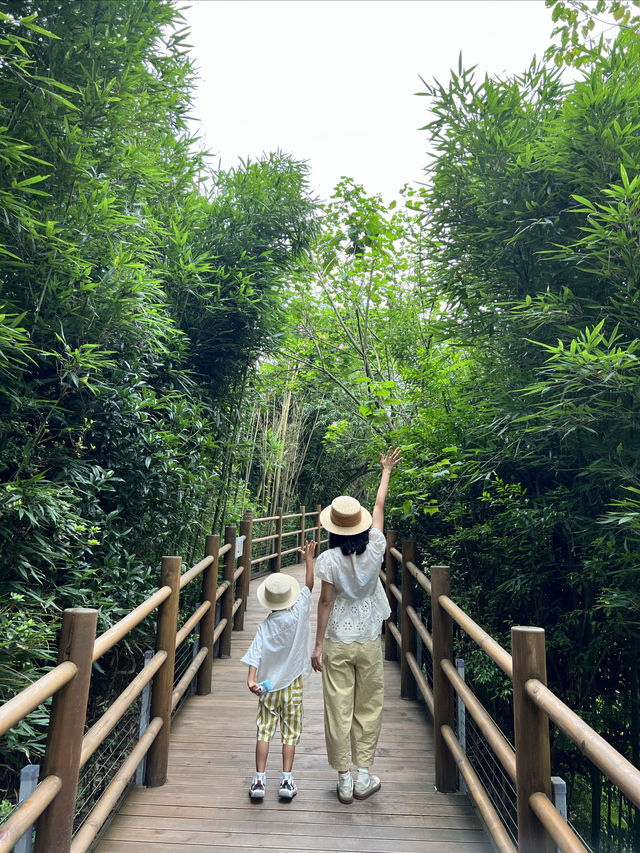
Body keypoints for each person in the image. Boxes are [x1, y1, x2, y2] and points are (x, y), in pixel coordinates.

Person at [311, 446, 402, 804]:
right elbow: (379, 508)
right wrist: (386, 471)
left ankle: (344, 779)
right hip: (368, 638)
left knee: (338, 706)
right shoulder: (376, 545)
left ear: (333, 528)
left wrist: (317, 645)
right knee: (369, 705)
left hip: (337, 639)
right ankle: (364, 775)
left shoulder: (329, 560)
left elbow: (326, 601)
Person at [241, 539, 316, 801]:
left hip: (268, 687)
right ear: (290, 598)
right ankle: (286, 780)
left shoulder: (264, 627)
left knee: (264, 731)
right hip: (293, 686)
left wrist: (252, 680)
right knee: (291, 732)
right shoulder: (298, 614)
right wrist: (309, 559)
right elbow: (309, 585)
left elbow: (255, 654)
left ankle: (259, 782)